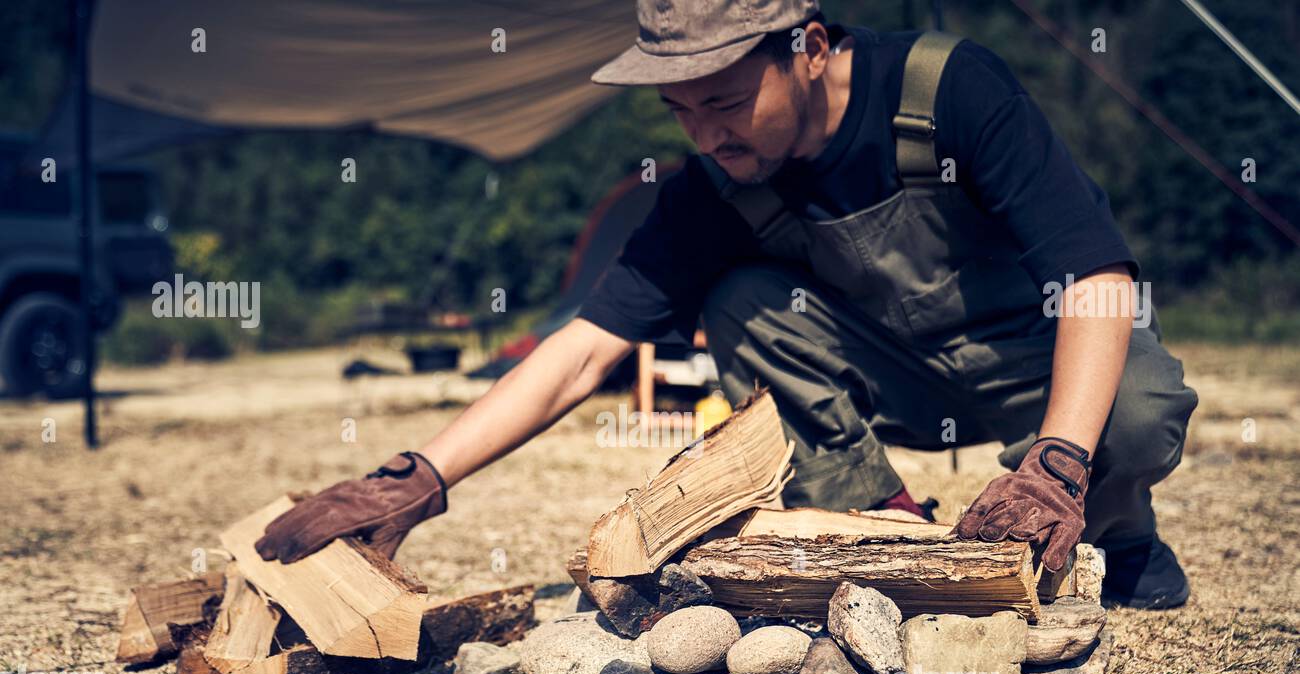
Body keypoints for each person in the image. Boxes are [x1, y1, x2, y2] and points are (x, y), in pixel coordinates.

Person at [255, 0, 1197, 609]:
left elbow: (1095, 276)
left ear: (812, 50)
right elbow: (583, 350)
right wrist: (418, 475)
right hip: (900, 375)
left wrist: (1057, 463)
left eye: (727, 102)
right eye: (682, 112)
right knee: (741, 298)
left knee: (1143, 406)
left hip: (1038, 361)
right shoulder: (712, 187)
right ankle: (891, 540)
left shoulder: (950, 92)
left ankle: (1118, 532)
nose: (706, 134)